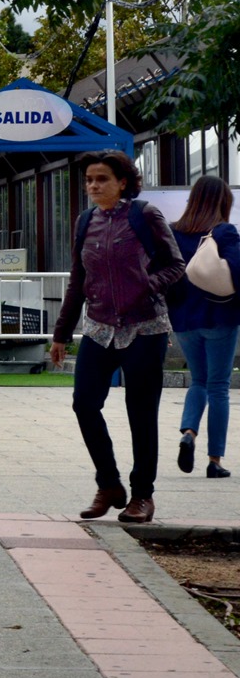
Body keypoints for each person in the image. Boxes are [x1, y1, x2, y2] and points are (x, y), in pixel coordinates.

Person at [49, 152, 186, 522]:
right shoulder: (85, 222)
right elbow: (78, 280)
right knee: (84, 403)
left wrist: (148, 286)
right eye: (89, 180)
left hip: (145, 327)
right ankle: (109, 484)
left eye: (102, 179)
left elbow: (175, 264)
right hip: (98, 327)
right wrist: (61, 334)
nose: (93, 186)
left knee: (141, 413)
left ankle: (143, 495)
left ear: (122, 182)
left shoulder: (144, 216)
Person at [168, 175, 240, 479]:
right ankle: (214, 460)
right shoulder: (224, 232)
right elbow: (237, 271)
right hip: (220, 318)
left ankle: (189, 432)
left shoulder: (173, 233)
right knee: (219, 386)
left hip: (184, 321)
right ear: (224, 202)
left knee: (197, 381)